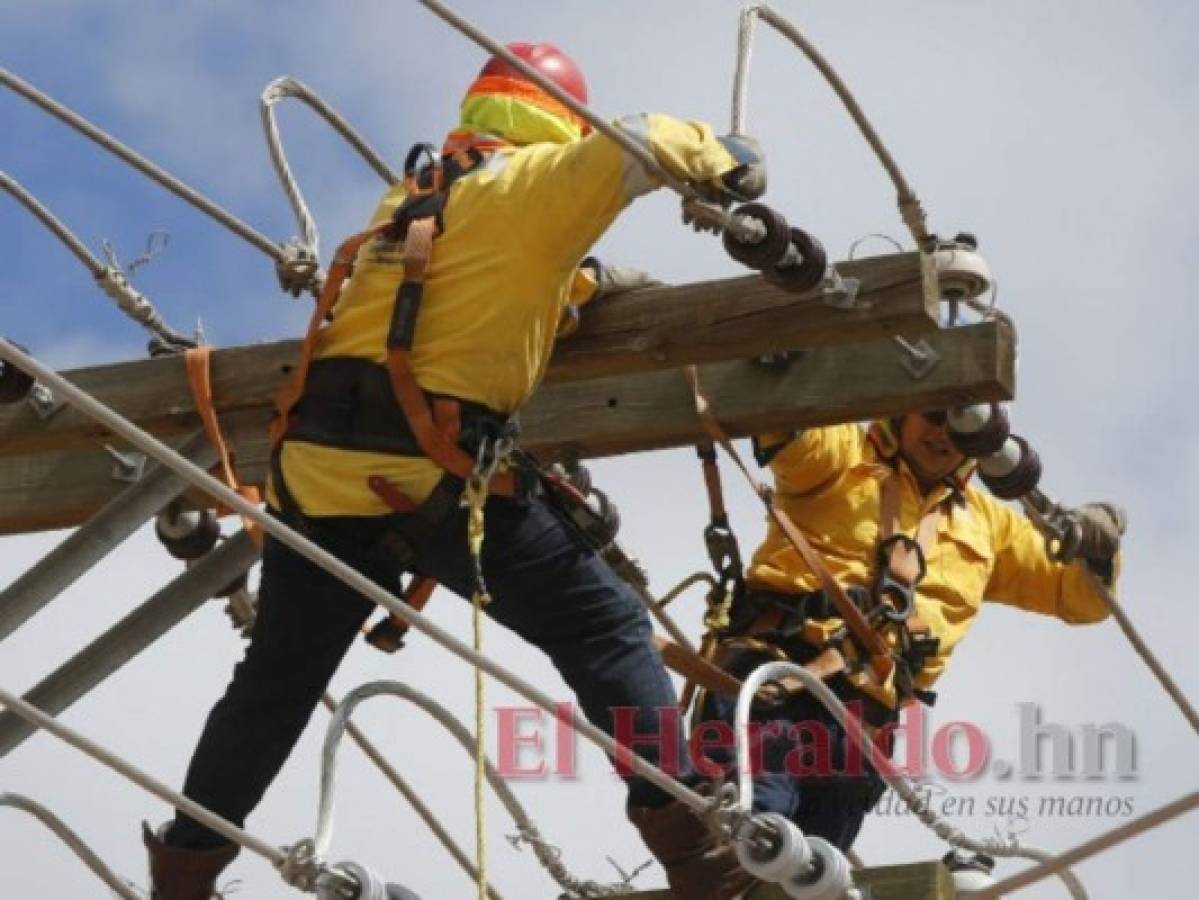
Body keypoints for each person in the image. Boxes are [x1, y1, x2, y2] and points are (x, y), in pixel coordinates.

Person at [142, 42, 768, 900]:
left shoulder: (409, 203)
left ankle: (182, 871)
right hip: (433, 471)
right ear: (555, 120)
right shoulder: (537, 183)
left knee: (276, 685)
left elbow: (468, 290)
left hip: (319, 477)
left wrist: (576, 286)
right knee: (604, 629)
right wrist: (726, 160)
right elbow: (641, 141)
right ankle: (696, 849)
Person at [697, 410, 1124, 854]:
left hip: (863, 728)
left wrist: (1100, 546)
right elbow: (784, 423)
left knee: (810, 879)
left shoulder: (991, 526)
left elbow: (1081, 597)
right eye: (933, 416)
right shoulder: (842, 452)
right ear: (902, 412)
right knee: (758, 845)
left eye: (958, 427)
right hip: (778, 682)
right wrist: (784, 361)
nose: (941, 433)